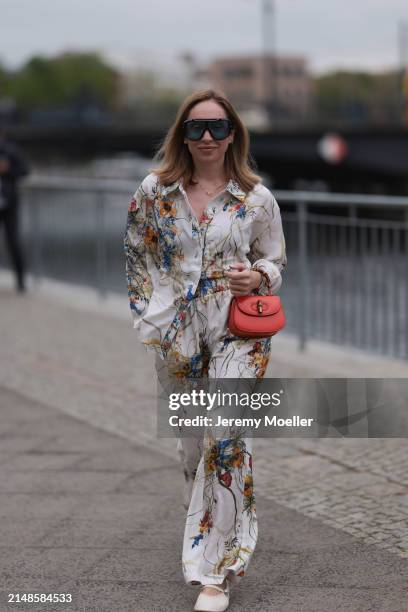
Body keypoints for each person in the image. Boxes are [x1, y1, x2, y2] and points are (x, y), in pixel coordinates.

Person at [123, 89, 286, 612]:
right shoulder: (155, 191)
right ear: (183, 135)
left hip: (238, 326)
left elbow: (276, 260)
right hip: (176, 332)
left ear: (233, 133)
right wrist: (150, 319)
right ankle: (212, 522)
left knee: (225, 434)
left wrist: (258, 275)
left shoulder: (255, 197)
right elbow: (137, 255)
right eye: (197, 129)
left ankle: (215, 572)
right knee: (194, 446)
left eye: (218, 127)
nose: (208, 137)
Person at [0, 125, 30, 293]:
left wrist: (7, 170)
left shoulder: (11, 151)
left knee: (13, 242)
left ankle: (21, 282)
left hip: (9, 203)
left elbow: (24, 170)